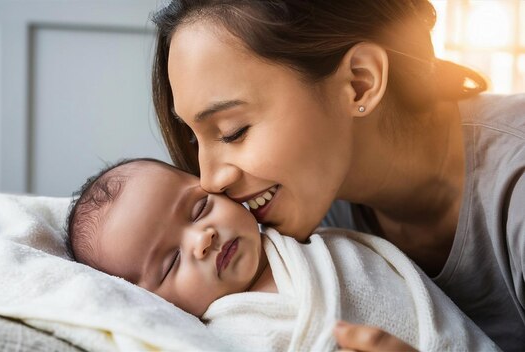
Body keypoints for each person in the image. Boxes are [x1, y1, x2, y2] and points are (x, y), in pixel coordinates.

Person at [150, 1, 525, 351]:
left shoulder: (516, 186)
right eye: (193, 138)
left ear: (360, 82)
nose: (210, 180)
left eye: (234, 130)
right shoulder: (311, 221)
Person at [66, 158, 497, 351]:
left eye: (199, 208)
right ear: (152, 301)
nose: (202, 239)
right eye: (171, 262)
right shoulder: (226, 336)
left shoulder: (307, 235)